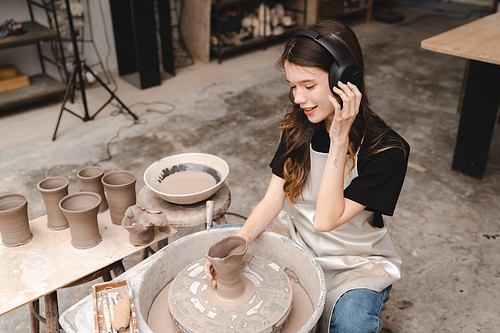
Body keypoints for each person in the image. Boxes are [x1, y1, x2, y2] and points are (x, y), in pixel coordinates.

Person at [205, 18, 409, 333]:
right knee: (223, 239)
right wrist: (238, 241)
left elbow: (326, 221)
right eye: (292, 86)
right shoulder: (298, 126)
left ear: (346, 78)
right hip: (298, 243)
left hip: (353, 264)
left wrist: (339, 138)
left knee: (353, 326)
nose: (299, 99)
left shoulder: (387, 151)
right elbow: (273, 199)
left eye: (309, 86)